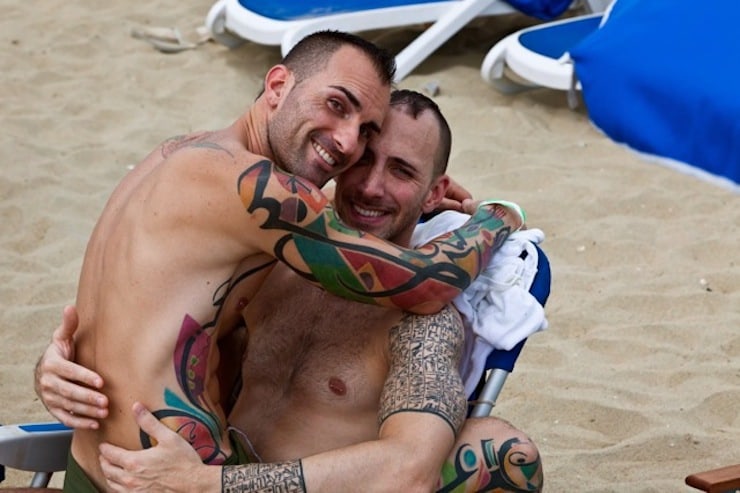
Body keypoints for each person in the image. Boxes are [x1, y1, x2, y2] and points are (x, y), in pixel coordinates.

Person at [36, 90, 542, 492]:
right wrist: (61, 370)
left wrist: (210, 485)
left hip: (223, 481)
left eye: (402, 171)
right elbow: (152, 337)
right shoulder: (270, 268)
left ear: (436, 193)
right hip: (184, 466)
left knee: (507, 450)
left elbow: (408, 472)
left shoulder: (423, 322)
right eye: (363, 160)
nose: (370, 186)